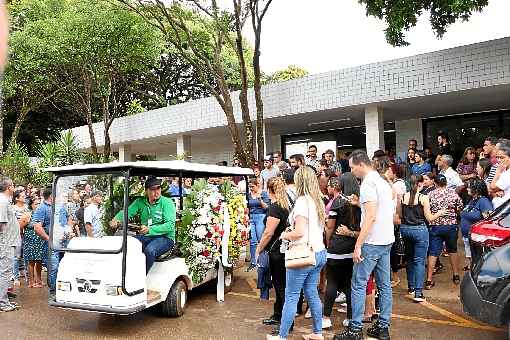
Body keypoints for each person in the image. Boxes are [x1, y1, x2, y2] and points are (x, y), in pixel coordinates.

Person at [334, 150, 394, 340]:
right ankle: (383, 327)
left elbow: (371, 216)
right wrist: (361, 204)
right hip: (386, 240)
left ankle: (355, 329)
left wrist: (358, 245)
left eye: (352, 167)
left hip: (371, 242)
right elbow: (383, 205)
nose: (352, 172)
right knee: (385, 286)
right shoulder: (382, 180)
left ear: (360, 164)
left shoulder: (368, 183)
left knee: (358, 284)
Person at [269, 166, 327, 340]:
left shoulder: (302, 201)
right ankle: (317, 332)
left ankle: (282, 336)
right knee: (311, 293)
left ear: (299, 181)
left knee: (291, 296)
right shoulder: (318, 200)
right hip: (319, 252)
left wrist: (284, 234)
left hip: (303, 255)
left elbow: (299, 232)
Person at [111, 176, 176, 273]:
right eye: (153, 189)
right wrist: (116, 219)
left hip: (165, 238)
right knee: (127, 244)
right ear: (146, 191)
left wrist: (149, 229)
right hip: (147, 236)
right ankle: (123, 274)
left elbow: (170, 225)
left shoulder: (167, 203)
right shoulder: (140, 202)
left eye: (158, 188)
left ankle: (140, 278)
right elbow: (126, 212)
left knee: (150, 250)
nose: (156, 192)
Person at [397, 175, 444, 302]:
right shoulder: (423, 198)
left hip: (405, 229)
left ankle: (411, 287)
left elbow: (399, 215)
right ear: (420, 184)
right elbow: (429, 218)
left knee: (410, 259)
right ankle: (418, 293)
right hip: (420, 230)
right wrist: (440, 213)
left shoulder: (402, 197)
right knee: (419, 261)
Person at [323, 176, 361, 330]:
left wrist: (328, 242)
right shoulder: (360, 203)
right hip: (353, 248)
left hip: (336, 248)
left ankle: (326, 318)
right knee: (349, 284)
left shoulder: (338, 201)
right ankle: (350, 318)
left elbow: (330, 227)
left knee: (331, 282)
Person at [256, 177, 290, 335]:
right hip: (281, 251)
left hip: (277, 253)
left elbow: (268, 232)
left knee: (281, 287)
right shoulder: (284, 205)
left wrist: (258, 248)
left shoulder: (275, 208)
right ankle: (278, 315)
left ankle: (286, 322)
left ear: (270, 190)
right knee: (279, 286)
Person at [425, 175, 463, 289]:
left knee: (433, 252)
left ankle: (429, 279)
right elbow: (459, 207)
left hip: (435, 226)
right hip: (450, 226)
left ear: (435, 184)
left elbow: (426, 209)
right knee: (452, 250)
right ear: (446, 183)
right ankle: (456, 274)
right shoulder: (452, 193)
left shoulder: (430, 195)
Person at [460, 179, 493, 271]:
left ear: (476, 189)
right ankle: (472, 267)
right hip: (468, 236)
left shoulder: (483, 201)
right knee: (472, 258)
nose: (467, 189)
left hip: (476, 239)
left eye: (470, 187)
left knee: (478, 260)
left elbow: (489, 219)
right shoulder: (472, 200)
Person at [33, 187, 59, 296]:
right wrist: (48, 239)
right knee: (53, 267)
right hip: (50, 244)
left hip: (61, 243)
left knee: (60, 267)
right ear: (51, 196)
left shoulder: (58, 207)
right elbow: (37, 227)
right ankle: (53, 292)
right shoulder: (42, 208)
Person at [0, 177, 21, 312]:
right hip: (5, 242)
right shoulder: (2, 201)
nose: (14, 188)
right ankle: (3, 303)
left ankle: (3, 299)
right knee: (5, 272)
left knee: (4, 272)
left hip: (8, 241)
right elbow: (1, 223)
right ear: (9, 187)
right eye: (13, 186)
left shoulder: (4, 201)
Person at [246, 178, 269, 271]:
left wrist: (260, 200)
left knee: (261, 239)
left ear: (257, 185)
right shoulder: (248, 195)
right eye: (249, 187)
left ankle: (263, 260)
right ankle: (253, 261)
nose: (251, 188)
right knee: (253, 241)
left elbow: (267, 208)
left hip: (260, 217)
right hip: (251, 217)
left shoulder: (263, 193)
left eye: (252, 186)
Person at [22, 198, 44, 288]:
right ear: (31, 205)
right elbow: (20, 226)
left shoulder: (41, 214)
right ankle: (31, 282)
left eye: (39, 203)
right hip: (30, 240)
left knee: (39, 260)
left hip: (40, 239)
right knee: (31, 261)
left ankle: (39, 280)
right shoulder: (28, 214)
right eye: (36, 204)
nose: (38, 205)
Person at [11, 189, 30, 287]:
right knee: (16, 257)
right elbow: (13, 224)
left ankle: (26, 275)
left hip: (26, 234)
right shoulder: (12, 209)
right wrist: (22, 222)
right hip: (16, 235)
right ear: (17, 198)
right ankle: (15, 277)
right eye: (22, 196)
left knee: (25, 255)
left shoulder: (27, 208)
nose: (24, 198)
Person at [490, 144, 510, 209]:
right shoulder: (504, 170)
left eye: (502, 157)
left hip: (505, 210)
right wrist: (496, 191)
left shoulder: (507, 173)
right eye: (497, 157)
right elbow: (490, 189)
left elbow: (492, 187)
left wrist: (498, 171)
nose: (499, 160)